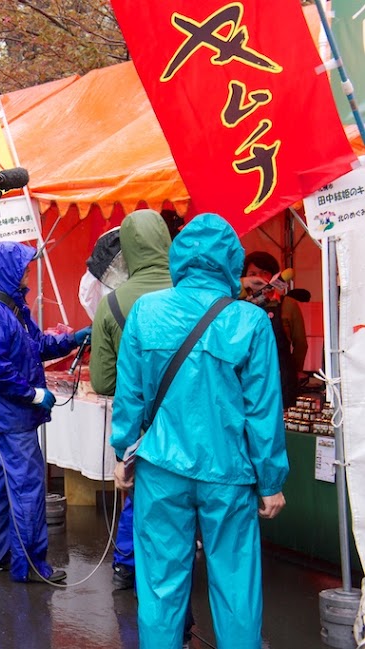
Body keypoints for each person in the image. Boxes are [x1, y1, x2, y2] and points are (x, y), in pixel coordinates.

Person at [111, 213, 288, 649]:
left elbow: (129, 396)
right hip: (228, 472)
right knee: (235, 585)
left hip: (160, 467)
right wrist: (271, 482)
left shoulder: (145, 313)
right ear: (231, 261)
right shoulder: (251, 321)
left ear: (179, 258)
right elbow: (262, 412)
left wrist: (123, 453)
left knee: (161, 586)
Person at [0, 241, 90, 584]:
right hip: (9, 419)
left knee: (1, 485)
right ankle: (31, 565)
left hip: (6, 416)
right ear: (9, 271)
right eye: (24, 268)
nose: (28, 273)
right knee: (27, 488)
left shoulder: (13, 309)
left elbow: (38, 347)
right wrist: (33, 394)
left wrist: (74, 338)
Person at [89, 209, 173, 593]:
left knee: (137, 495)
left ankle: (128, 564)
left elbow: (103, 380)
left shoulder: (113, 303)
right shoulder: (199, 293)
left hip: (140, 424)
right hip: (195, 426)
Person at [241, 251, 308, 408]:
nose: (258, 278)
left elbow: (301, 344)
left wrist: (294, 371)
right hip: (250, 377)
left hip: (282, 377)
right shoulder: (240, 305)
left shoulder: (289, 305)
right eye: (252, 274)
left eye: (264, 273)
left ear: (274, 275)